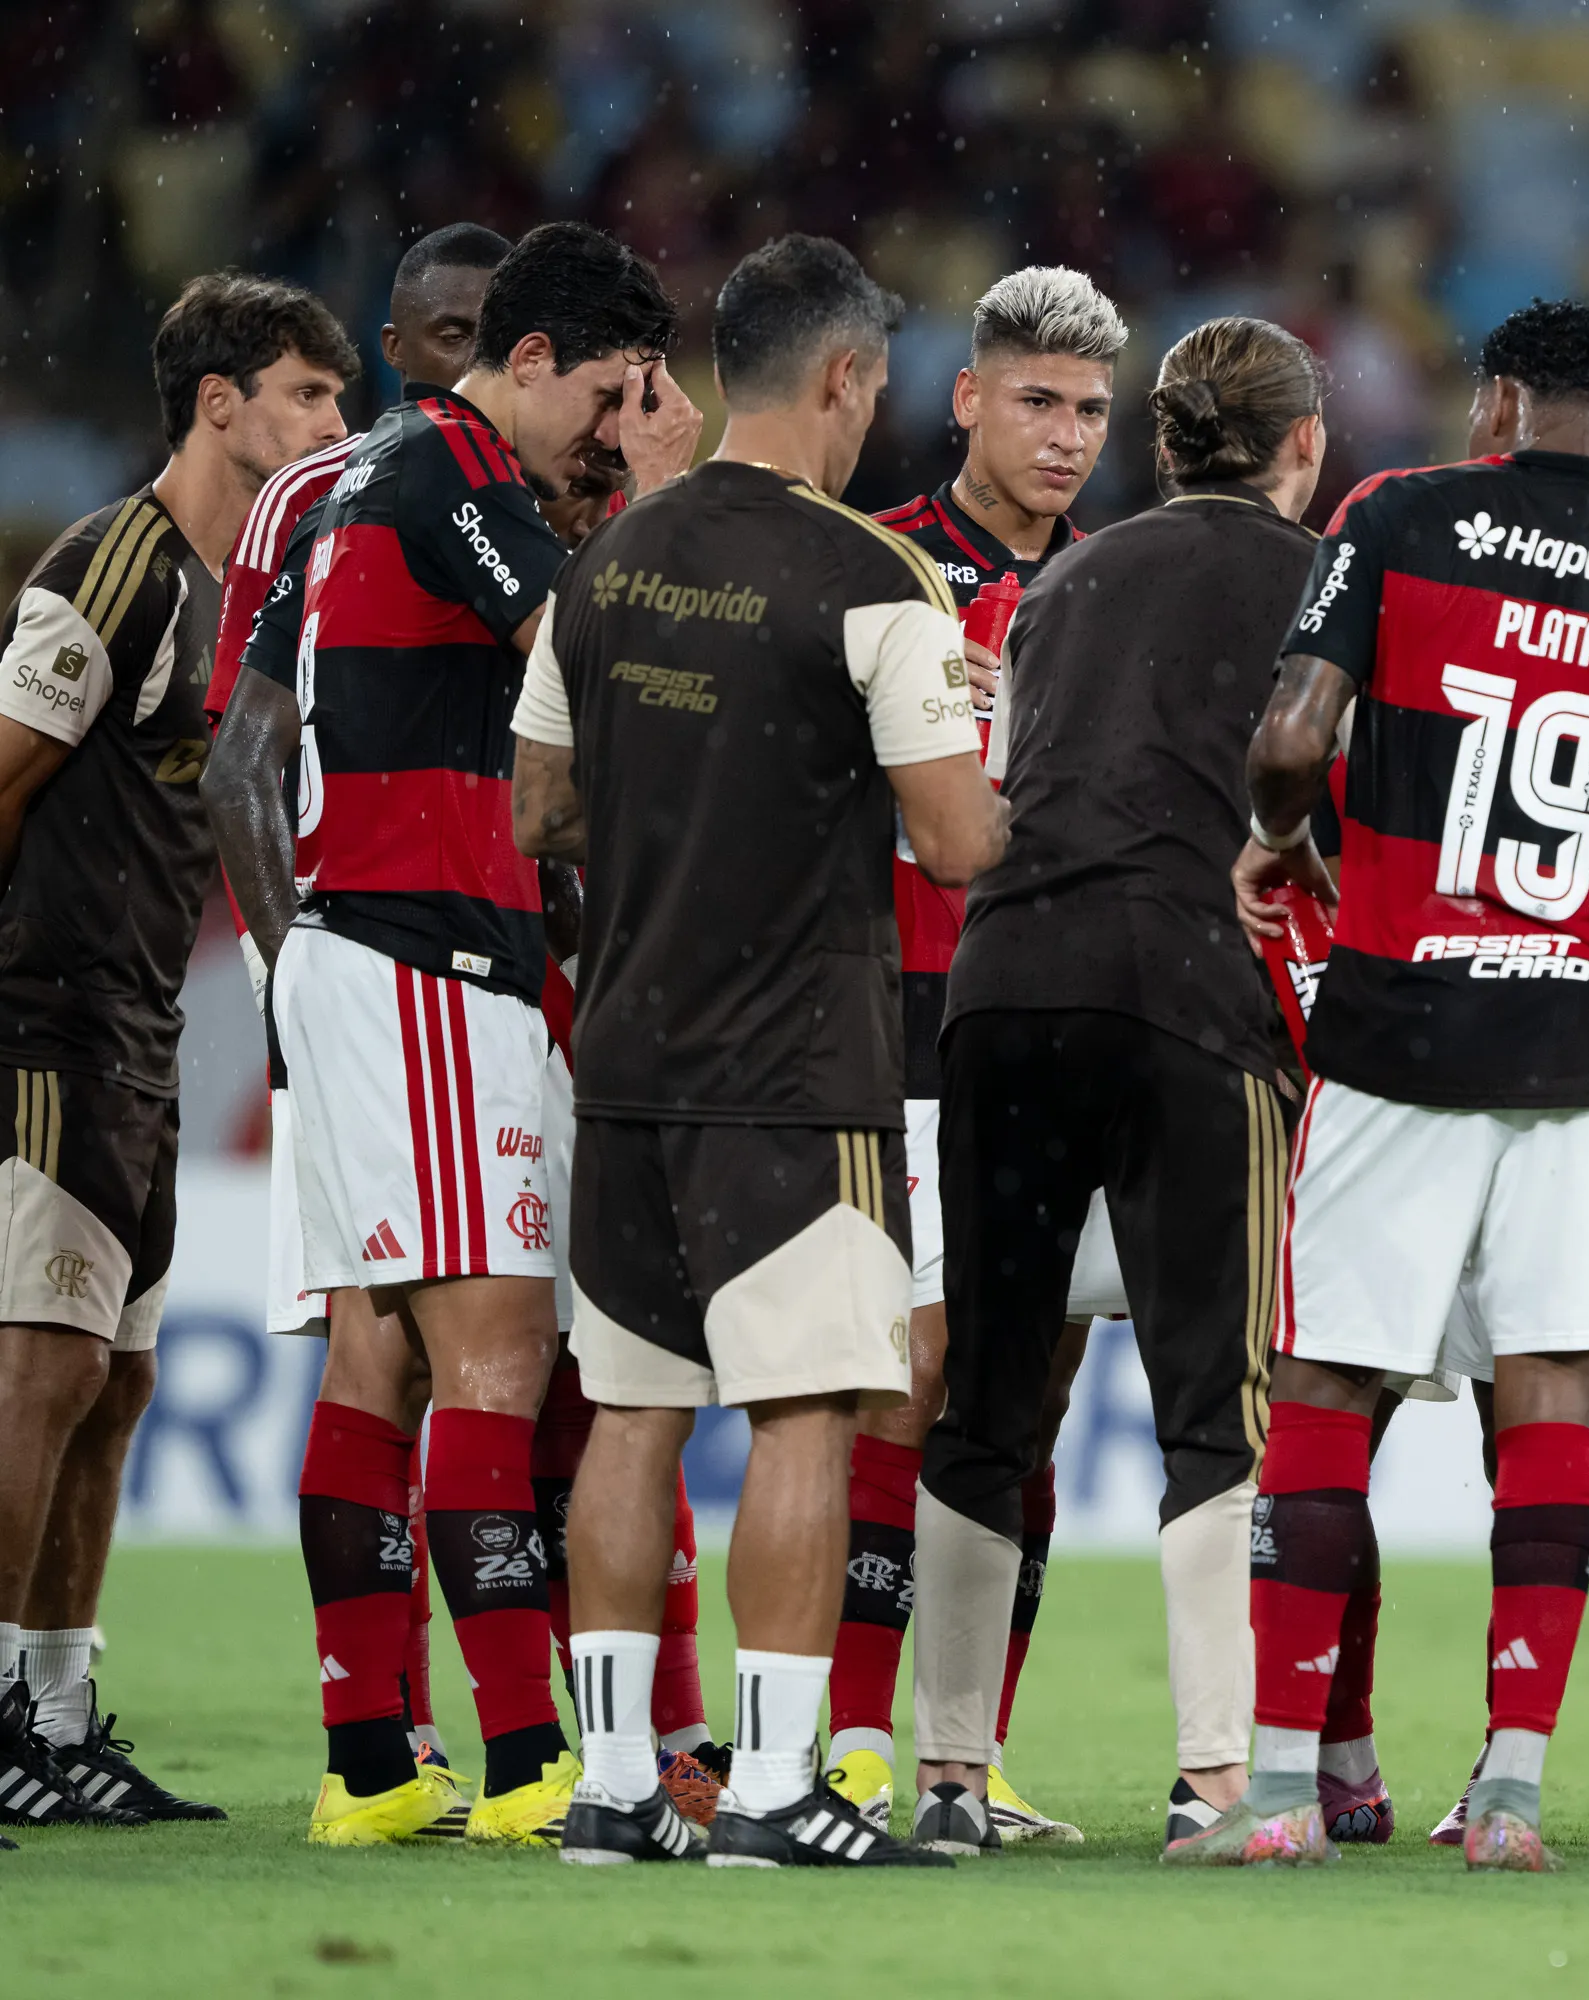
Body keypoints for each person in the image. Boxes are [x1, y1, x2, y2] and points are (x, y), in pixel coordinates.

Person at [1175, 299, 1589, 1873]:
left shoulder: (1401, 516)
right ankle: (1509, 1795)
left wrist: (1285, 839)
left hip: (1395, 1025)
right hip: (1576, 1052)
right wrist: (1584, 937)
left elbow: (1294, 739)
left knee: (1323, 1390)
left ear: (1502, 398)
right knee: (1547, 1396)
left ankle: (1287, 1792)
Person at [512, 233, 1003, 1869]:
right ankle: (784, 1787)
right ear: (848, 377)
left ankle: (607, 1786)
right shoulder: (876, 579)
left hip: (630, 1058)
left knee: (634, 1417)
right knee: (808, 1413)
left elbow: (542, 810)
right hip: (800, 1073)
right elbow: (953, 846)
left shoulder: (608, 565)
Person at [203, 220, 687, 1849]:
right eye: (610, 398)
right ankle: (528, 1760)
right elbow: (615, 658)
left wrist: (295, 973)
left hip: (362, 957)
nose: (614, 433)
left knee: (379, 1355)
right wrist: (678, 502)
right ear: (532, 361)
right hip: (424, 961)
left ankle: (368, 1767)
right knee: (496, 1355)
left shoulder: (361, 485)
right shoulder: (456, 472)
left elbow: (250, 754)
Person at [909, 315, 1328, 1859]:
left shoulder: (1065, 579)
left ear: (1160, 447)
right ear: (1303, 448)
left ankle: (947, 1776)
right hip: (1187, 998)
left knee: (986, 1404)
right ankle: (1214, 1778)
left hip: (1003, 989)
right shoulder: (1322, 582)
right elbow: (1328, 791)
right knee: (1214, 1407)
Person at [0, 273, 354, 1839]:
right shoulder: (115, 568)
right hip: (47, 1024)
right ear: (220, 405)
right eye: (306, 399)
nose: (333, 427)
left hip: (138, 1032)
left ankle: (57, 1717)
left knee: (122, 1379)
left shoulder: (248, 587)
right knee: (44, 1367)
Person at [830, 265, 1126, 1842]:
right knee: (911, 1377)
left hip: (1058, 1036)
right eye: (1037, 401)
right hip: (897, 1025)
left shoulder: (1118, 587)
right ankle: (859, 1745)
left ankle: (970, 1757)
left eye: (1089, 410)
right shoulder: (875, 567)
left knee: (1035, 1400)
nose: (1066, 436)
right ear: (964, 399)